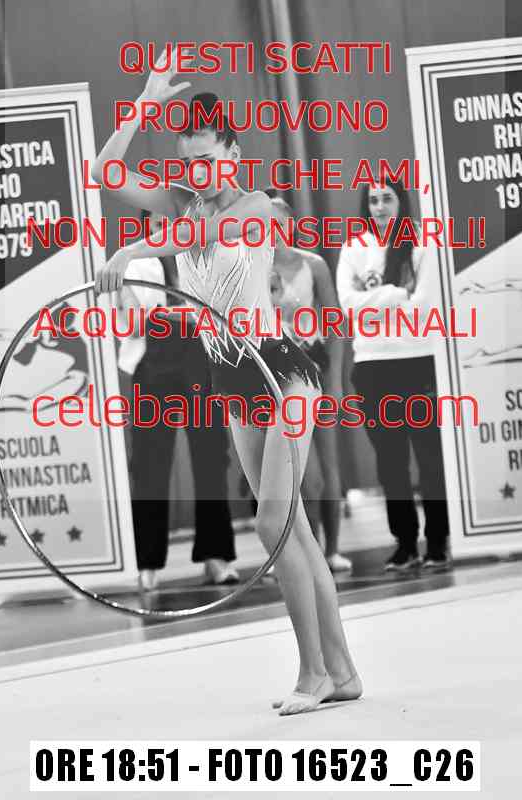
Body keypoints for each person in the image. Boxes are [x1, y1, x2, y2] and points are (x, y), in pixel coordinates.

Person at [93, 48, 361, 715]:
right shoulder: (182, 203)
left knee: (271, 521)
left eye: (209, 159)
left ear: (233, 154)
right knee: (294, 531)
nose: (198, 172)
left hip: (282, 375)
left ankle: (311, 674)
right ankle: (342, 670)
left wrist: (132, 248)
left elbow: (205, 232)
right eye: (188, 162)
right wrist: (145, 103)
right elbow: (104, 171)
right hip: (232, 383)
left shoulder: (258, 207)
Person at [117, 211, 239, 590]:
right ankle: (147, 562)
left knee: (211, 460)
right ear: (146, 228)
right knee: (149, 466)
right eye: (156, 225)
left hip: (200, 365)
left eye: (169, 223)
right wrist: (183, 314)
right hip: (152, 368)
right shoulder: (132, 263)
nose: (164, 231)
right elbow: (135, 323)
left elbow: (217, 316)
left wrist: (165, 314)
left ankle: (216, 556)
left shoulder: (205, 258)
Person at [336, 178, 451, 571]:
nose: (380, 206)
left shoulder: (422, 242)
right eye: (373, 200)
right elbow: (347, 304)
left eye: (387, 198)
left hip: (418, 360)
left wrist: (374, 303)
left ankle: (438, 539)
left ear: (401, 201)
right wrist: (392, 294)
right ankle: (404, 542)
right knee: (390, 461)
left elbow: (424, 306)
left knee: (430, 456)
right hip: (372, 366)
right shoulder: (354, 247)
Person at [267, 192, 352, 573]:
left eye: (278, 223)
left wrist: (335, 382)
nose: (272, 230)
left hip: (314, 367)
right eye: (263, 224)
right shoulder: (256, 269)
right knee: (302, 472)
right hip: (277, 375)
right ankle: (307, 551)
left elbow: (335, 326)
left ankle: (331, 549)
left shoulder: (313, 265)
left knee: (327, 465)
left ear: (291, 225)